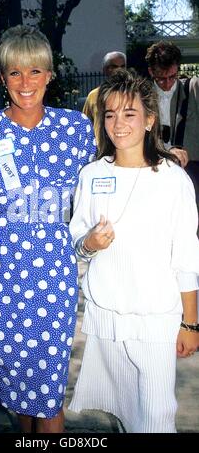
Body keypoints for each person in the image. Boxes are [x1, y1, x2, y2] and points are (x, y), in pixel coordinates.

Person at [0, 25, 96, 434]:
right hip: (4, 277)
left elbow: (108, 182)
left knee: (48, 399)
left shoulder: (76, 130)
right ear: (2, 78)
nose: (25, 82)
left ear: (50, 75)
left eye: (35, 72)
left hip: (54, 275)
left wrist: (160, 156)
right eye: (15, 73)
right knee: (18, 393)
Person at [68, 69, 199, 433]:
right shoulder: (92, 174)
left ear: (149, 120)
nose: (118, 123)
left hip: (157, 317)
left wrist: (190, 322)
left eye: (129, 113)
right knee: (127, 414)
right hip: (108, 317)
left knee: (158, 416)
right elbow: (77, 237)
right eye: (110, 114)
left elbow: (187, 254)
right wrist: (89, 243)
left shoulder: (172, 178)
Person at [145, 40, 199, 169]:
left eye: (173, 76)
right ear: (151, 72)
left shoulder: (194, 87)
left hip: (191, 164)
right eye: (161, 78)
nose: (168, 84)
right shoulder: (143, 96)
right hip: (156, 164)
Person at [81, 51, 126, 142]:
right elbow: (85, 125)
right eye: (114, 66)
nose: (119, 70)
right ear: (105, 69)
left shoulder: (133, 94)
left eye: (122, 66)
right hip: (100, 150)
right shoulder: (93, 96)